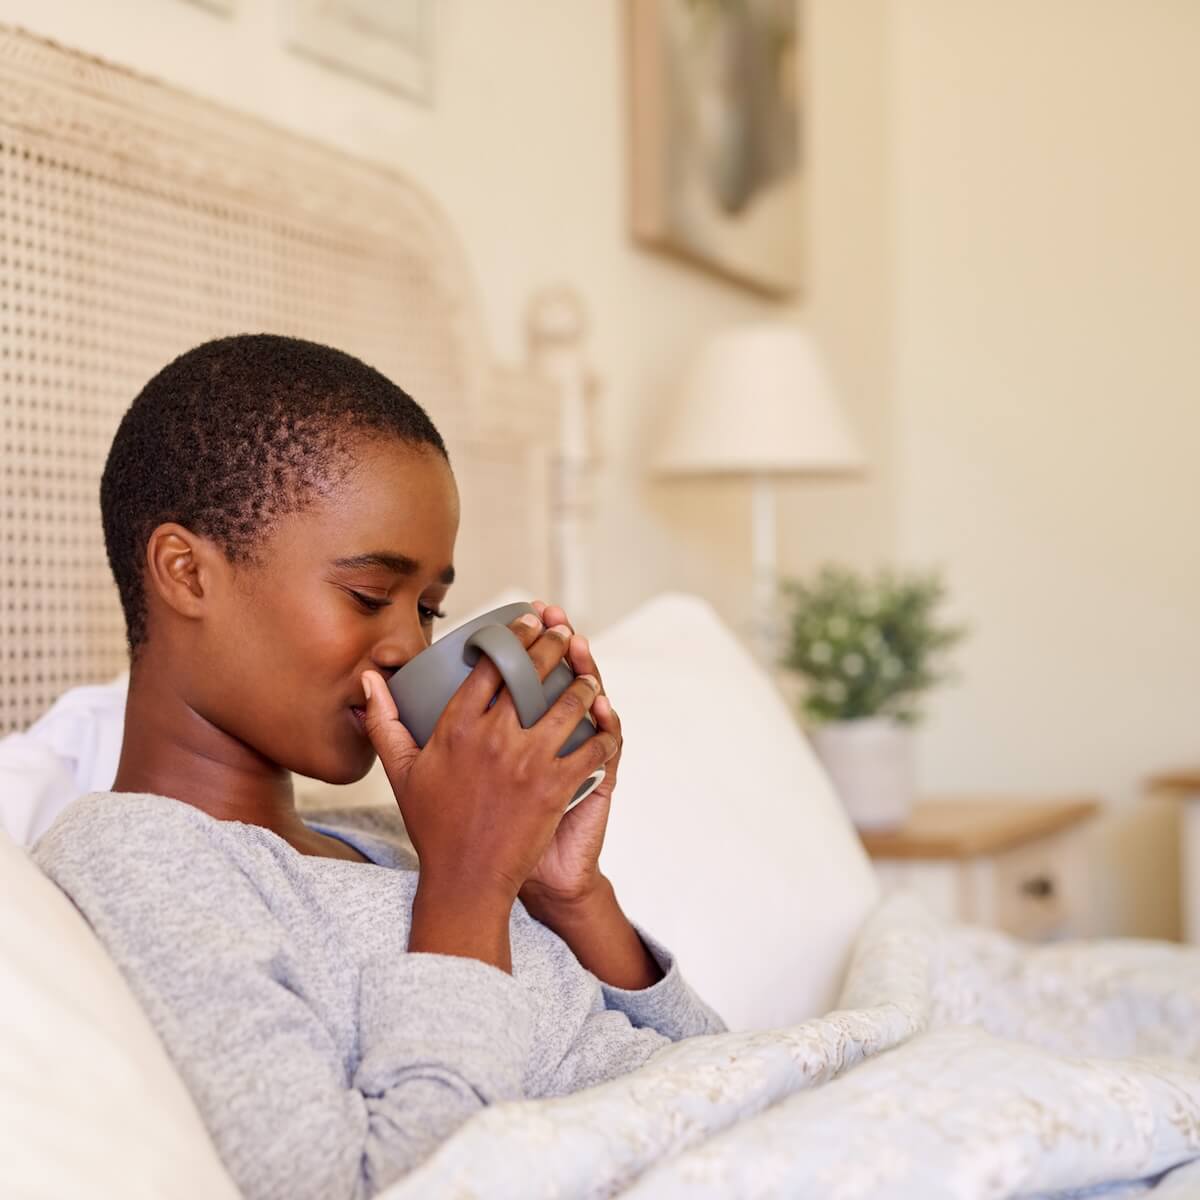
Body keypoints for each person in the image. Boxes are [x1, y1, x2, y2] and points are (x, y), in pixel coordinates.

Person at [31, 334, 726, 1200]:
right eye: (368, 596)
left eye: (429, 609)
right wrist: (468, 886)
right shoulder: (138, 854)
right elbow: (347, 1186)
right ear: (185, 573)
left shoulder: (394, 836)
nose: (406, 647)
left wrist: (568, 899)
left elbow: (728, 1076)